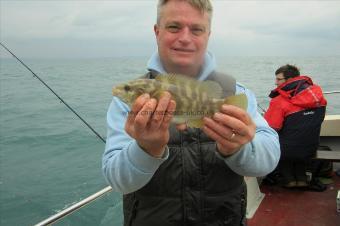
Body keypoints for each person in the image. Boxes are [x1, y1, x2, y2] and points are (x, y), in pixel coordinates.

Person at [102, 0, 280, 225]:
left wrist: (241, 147)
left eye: (196, 29)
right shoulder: (126, 105)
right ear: (157, 32)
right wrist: (146, 149)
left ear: (208, 34)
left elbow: (270, 158)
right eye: (174, 27)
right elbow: (118, 181)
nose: (185, 38)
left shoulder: (236, 93)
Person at [264, 64, 327, 188]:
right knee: (299, 142)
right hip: (311, 146)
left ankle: (289, 180)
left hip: (287, 150)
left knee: (279, 143)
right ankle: (302, 179)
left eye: (278, 79)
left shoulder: (279, 101)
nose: (275, 82)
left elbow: (272, 127)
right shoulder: (317, 96)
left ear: (288, 80)